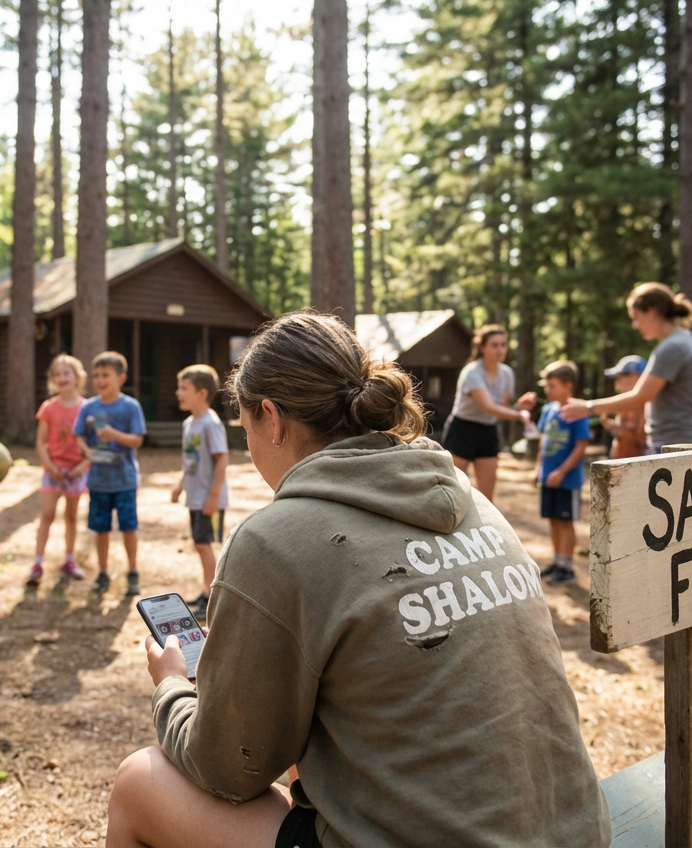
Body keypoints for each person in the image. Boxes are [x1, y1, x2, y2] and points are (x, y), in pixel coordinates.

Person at [106, 313, 610, 848]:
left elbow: (229, 768)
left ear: (272, 419)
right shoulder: (471, 499)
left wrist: (171, 686)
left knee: (139, 781)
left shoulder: (275, 540)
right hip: (572, 831)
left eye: (245, 425)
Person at [560, 282, 692, 451]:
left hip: (681, 446)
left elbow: (638, 398)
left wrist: (587, 407)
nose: (635, 325)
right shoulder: (682, 340)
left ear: (652, 311)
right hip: (679, 444)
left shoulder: (673, 347)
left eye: (636, 317)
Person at [74, 351, 147, 598]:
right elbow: (80, 438)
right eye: (96, 376)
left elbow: (137, 440)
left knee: (128, 527)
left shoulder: (130, 406)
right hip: (98, 481)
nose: (100, 380)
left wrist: (114, 435)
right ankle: (103, 572)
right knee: (101, 529)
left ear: (121, 378)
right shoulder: (88, 406)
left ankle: (133, 571)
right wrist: (87, 451)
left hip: (124, 480)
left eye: (106, 375)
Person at [443, 324, 535, 502]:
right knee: (456, 492)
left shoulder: (507, 374)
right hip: (463, 429)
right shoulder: (472, 372)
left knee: (486, 498)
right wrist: (519, 416)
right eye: (494, 345)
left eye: (503, 344)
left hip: (488, 432)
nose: (500, 349)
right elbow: (489, 406)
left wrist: (518, 407)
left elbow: (502, 408)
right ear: (482, 348)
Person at [170, 364, 229, 623]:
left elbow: (222, 459)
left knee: (204, 545)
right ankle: (207, 591)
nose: (178, 393)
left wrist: (213, 496)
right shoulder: (188, 424)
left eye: (184, 388)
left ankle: (212, 595)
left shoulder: (210, 423)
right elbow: (190, 461)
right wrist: (180, 484)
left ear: (202, 393)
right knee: (198, 543)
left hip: (207, 498)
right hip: (194, 497)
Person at [28, 353, 91, 586]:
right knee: (46, 516)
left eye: (66, 373)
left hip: (77, 472)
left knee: (71, 518)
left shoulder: (86, 407)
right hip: (52, 471)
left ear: (77, 377)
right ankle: (37, 563)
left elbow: (91, 444)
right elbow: (40, 442)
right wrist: (50, 466)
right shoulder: (48, 408)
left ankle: (69, 560)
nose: (61, 378)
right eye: (57, 374)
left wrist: (82, 467)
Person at [536, 361, 591, 586]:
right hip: (548, 478)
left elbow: (581, 445)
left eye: (553, 386)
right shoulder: (548, 410)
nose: (548, 390)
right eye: (546, 386)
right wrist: (539, 468)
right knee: (553, 520)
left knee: (565, 522)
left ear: (568, 386)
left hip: (567, 480)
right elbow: (543, 440)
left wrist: (561, 471)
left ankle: (567, 566)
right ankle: (558, 561)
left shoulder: (578, 412)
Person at [600, 354, 648, 459]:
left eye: (620, 376)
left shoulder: (647, 407)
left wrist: (612, 427)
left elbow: (640, 439)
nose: (617, 382)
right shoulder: (623, 405)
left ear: (636, 377)